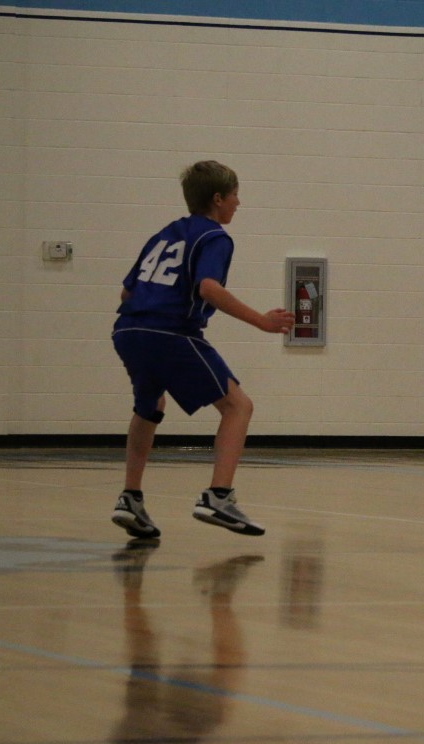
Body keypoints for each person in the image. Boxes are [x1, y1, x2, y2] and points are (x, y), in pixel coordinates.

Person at [110, 160, 294, 539]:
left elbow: (127, 292)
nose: (239, 203)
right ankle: (218, 497)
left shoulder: (164, 235)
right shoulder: (214, 237)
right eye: (235, 195)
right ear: (218, 198)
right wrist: (261, 321)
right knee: (238, 406)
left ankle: (130, 497)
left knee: (150, 406)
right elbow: (208, 288)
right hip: (170, 332)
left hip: (128, 330)